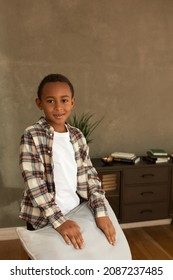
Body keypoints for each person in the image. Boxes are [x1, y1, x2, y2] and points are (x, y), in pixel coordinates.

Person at [19, 73, 116, 250]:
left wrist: (101, 213)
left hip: (75, 212)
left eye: (64, 100)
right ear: (39, 103)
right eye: (50, 101)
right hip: (43, 218)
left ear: (72, 102)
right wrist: (59, 221)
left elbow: (90, 176)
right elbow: (34, 184)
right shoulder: (32, 135)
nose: (58, 107)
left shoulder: (77, 136)